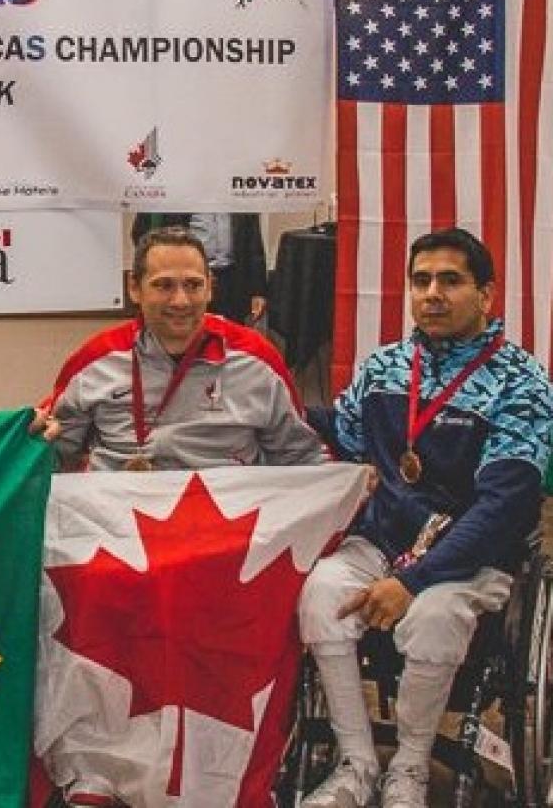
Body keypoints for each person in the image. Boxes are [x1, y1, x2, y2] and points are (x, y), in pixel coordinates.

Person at [298, 228, 553, 808]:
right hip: (384, 543)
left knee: (435, 617)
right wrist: (264, 403)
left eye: (451, 280)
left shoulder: (522, 383)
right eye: (421, 280)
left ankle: (408, 770)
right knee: (319, 594)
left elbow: (504, 505)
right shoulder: (385, 366)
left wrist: (413, 582)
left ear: (486, 295)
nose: (432, 293)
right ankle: (357, 765)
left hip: (471, 557)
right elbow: (340, 435)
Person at [48, 226, 326, 473]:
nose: (180, 301)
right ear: (135, 288)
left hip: (226, 522)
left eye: (193, 285)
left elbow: (301, 457)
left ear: (210, 289)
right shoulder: (96, 358)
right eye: (164, 286)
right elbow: (51, 453)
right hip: (121, 521)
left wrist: (349, 483)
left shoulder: (256, 359)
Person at [130, 212, 267, 324]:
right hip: (189, 278)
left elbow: (254, 245)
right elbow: (141, 233)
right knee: (189, 327)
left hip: (232, 278)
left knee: (230, 335)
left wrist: (258, 291)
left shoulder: (237, 194)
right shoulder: (181, 192)